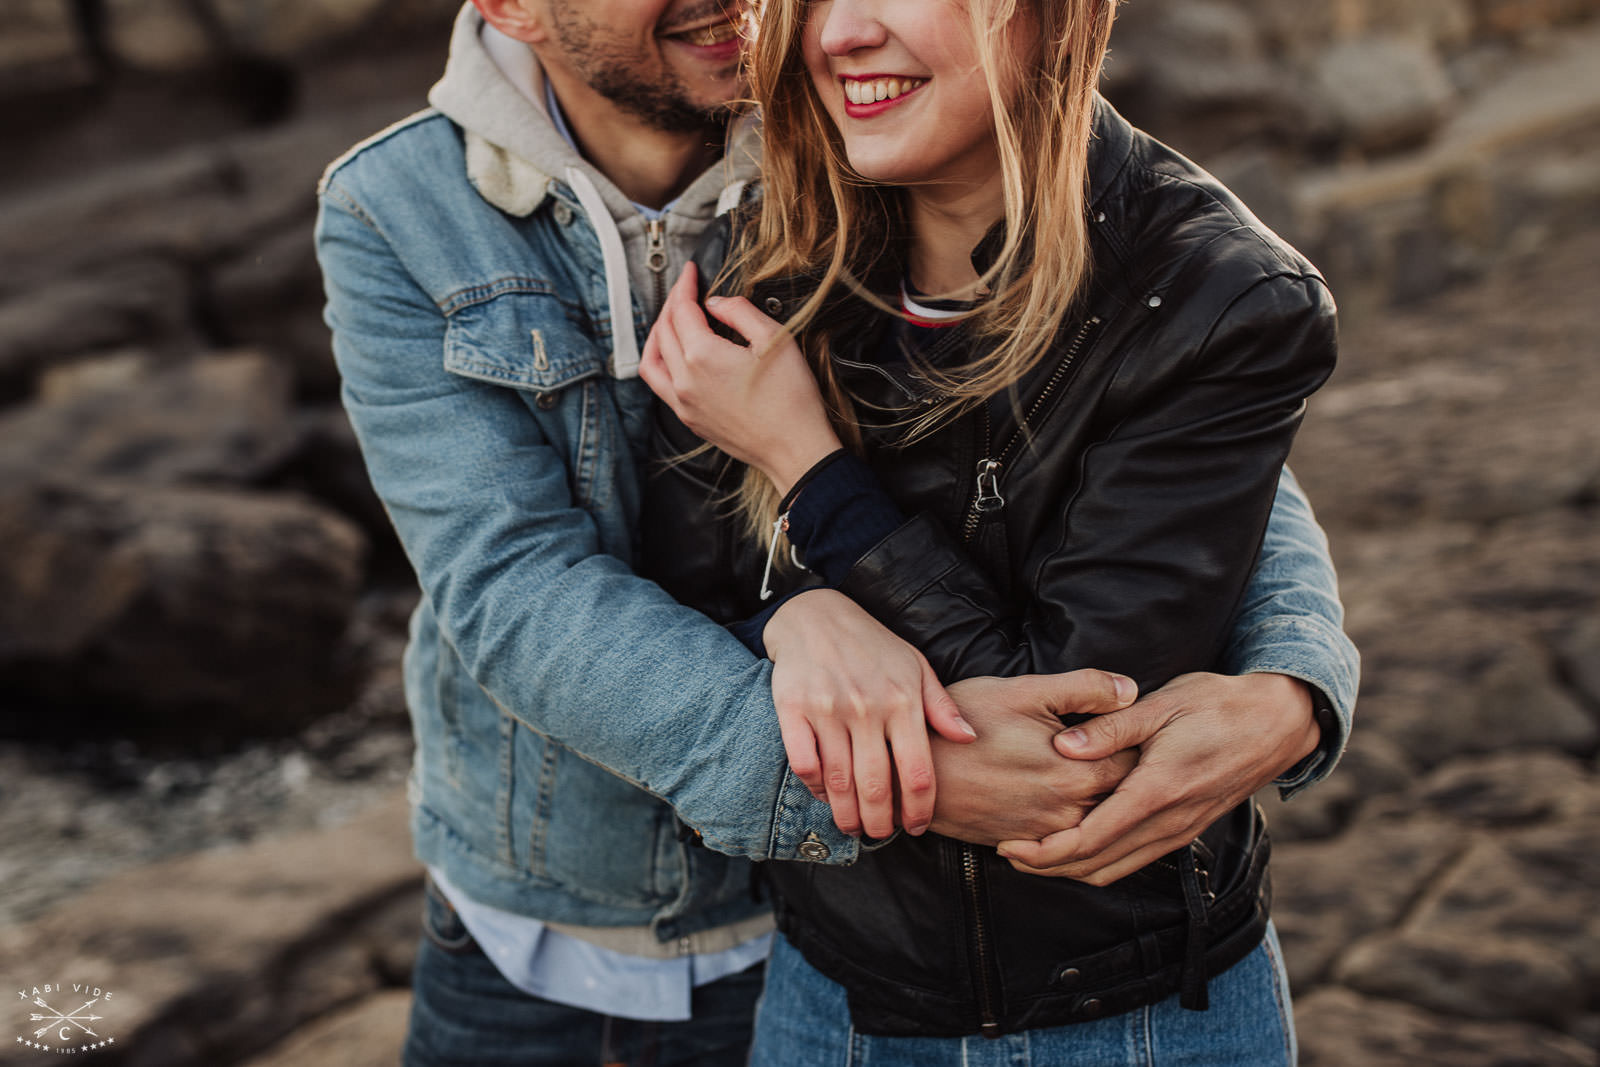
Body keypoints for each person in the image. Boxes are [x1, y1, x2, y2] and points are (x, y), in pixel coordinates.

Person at [314, 1, 1358, 1064]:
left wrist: (1295, 674)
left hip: (842, 944)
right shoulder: (398, 209)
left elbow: (1173, 409)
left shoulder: (855, 126)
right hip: (561, 918)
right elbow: (512, 589)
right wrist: (877, 727)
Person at [638, 0, 1349, 1062]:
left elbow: (1057, 746)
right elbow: (682, 593)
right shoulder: (773, 258)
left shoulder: (1218, 297)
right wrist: (800, 619)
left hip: (1128, 1019)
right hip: (822, 995)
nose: (835, 37)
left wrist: (810, 470)